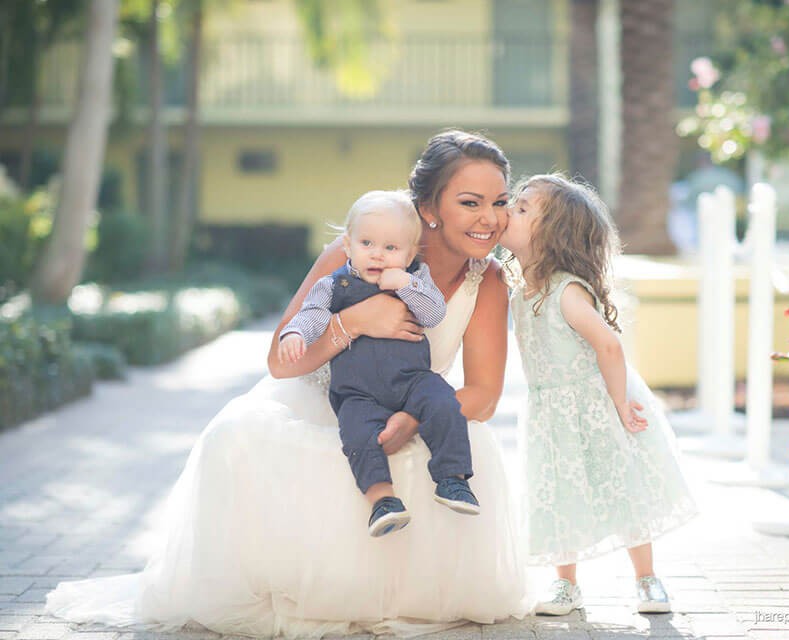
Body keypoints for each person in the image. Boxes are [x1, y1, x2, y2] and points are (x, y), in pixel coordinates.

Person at [45, 131, 532, 637]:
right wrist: (354, 322)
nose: (490, 218)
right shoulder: (359, 250)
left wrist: (412, 421)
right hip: (332, 398)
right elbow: (280, 360)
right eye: (470, 203)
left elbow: (484, 395)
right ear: (429, 208)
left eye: (500, 202)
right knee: (236, 433)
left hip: (415, 404)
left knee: (464, 440)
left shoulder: (486, 279)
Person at [500, 173, 699, 616]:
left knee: (622, 485)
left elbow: (608, 345)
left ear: (551, 234)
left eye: (522, 208)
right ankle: (566, 584)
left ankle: (647, 578)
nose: (508, 211)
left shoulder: (565, 290)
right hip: (550, 411)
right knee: (557, 491)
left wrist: (620, 403)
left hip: (593, 404)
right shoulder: (520, 289)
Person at [278, 189, 479, 537]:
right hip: (357, 391)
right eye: (367, 243)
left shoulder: (416, 277)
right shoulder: (334, 285)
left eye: (391, 248)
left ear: (410, 253)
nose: (377, 254)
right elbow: (311, 314)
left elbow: (434, 314)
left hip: (413, 381)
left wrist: (407, 284)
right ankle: (382, 500)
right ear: (348, 245)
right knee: (357, 434)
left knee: (444, 402)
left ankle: (453, 479)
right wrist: (295, 333)